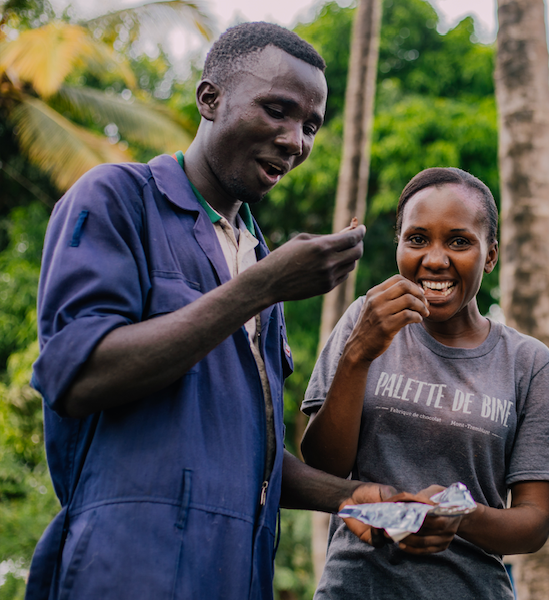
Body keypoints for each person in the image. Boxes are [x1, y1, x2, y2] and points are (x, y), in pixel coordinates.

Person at [27, 22, 394, 600]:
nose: (295, 140)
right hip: (125, 573)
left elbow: (251, 450)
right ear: (210, 99)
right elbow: (78, 376)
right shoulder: (117, 198)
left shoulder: (258, 253)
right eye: (277, 110)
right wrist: (259, 289)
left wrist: (353, 495)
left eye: (311, 126)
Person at [299, 167, 549, 599]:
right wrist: (358, 353)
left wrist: (461, 515)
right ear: (398, 244)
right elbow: (323, 470)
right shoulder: (366, 319)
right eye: (417, 239)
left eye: (459, 241)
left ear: (490, 255)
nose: (434, 259)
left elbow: (532, 525)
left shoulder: (527, 363)